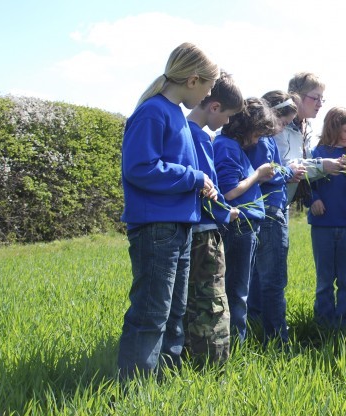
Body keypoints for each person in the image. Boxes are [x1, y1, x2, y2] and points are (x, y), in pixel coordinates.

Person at [117, 42, 220, 380]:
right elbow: (140, 168)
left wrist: (200, 182)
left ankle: (164, 381)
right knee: (151, 312)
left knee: (174, 311)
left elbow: (173, 169)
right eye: (207, 87)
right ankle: (135, 388)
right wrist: (194, 177)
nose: (207, 96)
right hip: (156, 227)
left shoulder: (174, 113)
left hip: (179, 224)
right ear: (192, 80)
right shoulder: (153, 111)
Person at [184, 72, 243, 364]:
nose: (228, 123)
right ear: (215, 107)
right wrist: (227, 212)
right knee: (212, 302)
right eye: (229, 115)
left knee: (189, 300)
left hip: (186, 229)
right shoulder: (200, 137)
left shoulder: (180, 132)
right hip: (206, 231)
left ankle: (183, 357)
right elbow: (209, 189)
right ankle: (212, 365)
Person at [213, 97, 277, 342]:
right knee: (237, 291)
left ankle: (234, 342)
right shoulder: (227, 146)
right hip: (239, 226)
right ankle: (233, 346)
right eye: (258, 132)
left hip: (246, 225)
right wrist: (258, 175)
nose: (258, 138)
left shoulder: (232, 146)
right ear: (247, 127)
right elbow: (228, 192)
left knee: (240, 289)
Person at [245, 90, 305, 345]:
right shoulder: (262, 141)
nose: (282, 128)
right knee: (274, 279)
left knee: (265, 278)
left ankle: (259, 330)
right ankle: (277, 339)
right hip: (270, 210)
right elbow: (267, 172)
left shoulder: (263, 139)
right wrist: (288, 171)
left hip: (270, 208)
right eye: (281, 122)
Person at [308, 107, 346, 328]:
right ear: (333, 128)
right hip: (323, 225)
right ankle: (322, 324)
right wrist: (313, 199)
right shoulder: (317, 153)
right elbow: (306, 182)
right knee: (324, 281)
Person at [274, 72, 346, 206]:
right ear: (297, 96)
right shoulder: (279, 125)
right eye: (316, 98)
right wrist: (323, 165)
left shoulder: (306, 126)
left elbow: (305, 169)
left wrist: (332, 166)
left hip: (283, 203)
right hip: (272, 203)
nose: (320, 104)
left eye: (322, 99)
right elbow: (284, 166)